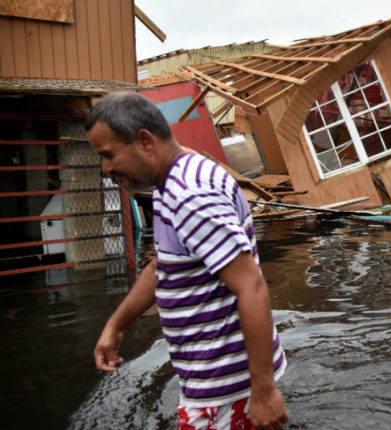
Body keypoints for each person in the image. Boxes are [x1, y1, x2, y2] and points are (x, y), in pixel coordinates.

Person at [86, 92, 288, 430]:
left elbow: (251, 287)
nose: (106, 169)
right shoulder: (172, 182)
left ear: (145, 142)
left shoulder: (189, 196)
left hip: (224, 389)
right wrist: (115, 324)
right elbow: (163, 266)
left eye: (108, 155)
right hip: (216, 380)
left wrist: (263, 392)